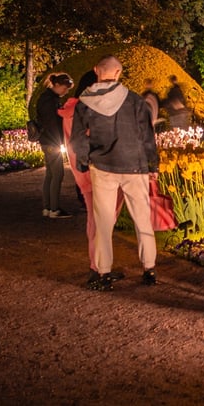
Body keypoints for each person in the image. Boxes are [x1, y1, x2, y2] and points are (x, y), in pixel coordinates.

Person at [71, 55, 160, 291]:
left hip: (102, 166)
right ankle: (149, 268)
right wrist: (153, 165)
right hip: (135, 164)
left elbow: (77, 139)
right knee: (142, 219)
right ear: (118, 73)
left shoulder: (85, 102)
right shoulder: (135, 100)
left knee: (103, 221)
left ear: (96, 70)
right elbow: (147, 136)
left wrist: (85, 160)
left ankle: (103, 271)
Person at [35, 72, 74, 219]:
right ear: (56, 85)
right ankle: (54, 209)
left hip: (46, 140)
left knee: (50, 174)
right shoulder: (50, 101)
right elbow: (52, 124)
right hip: (52, 141)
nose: (66, 91)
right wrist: (60, 141)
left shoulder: (46, 98)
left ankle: (47, 207)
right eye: (65, 88)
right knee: (58, 174)